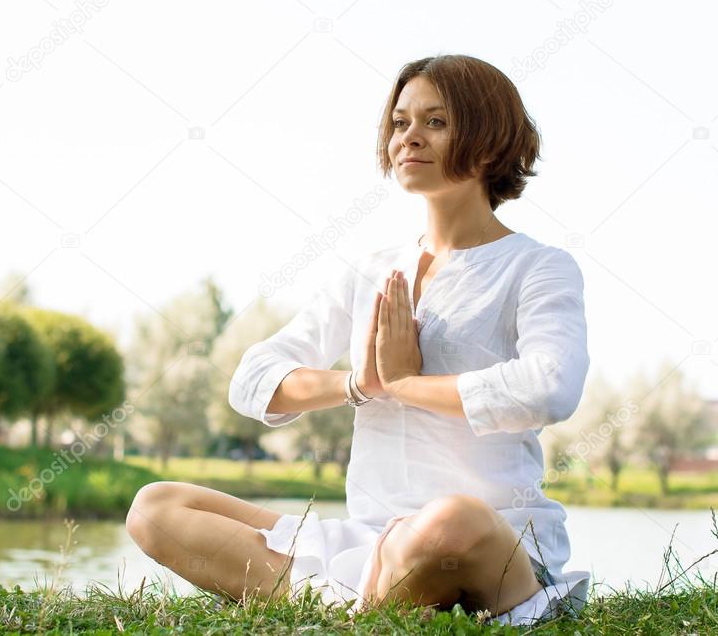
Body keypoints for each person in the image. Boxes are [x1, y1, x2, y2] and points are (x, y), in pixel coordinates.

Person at [126, 53, 592, 627]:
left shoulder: (537, 267)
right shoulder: (370, 271)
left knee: (453, 521)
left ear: (492, 144)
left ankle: (347, 607)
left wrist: (407, 384)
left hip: (494, 543)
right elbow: (253, 379)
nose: (409, 137)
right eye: (400, 123)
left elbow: (550, 387)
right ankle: (361, 606)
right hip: (369, 543)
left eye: (435, 122)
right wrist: (357, 385)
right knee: (156, 507)